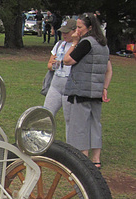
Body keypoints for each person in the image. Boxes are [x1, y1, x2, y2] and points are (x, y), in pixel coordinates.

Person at [62, 12, 112, 169]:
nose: (77, 30)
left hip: (81, 90)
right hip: (96, 92)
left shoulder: (86, 43)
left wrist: (75, 42)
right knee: (95, 125)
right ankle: (96, 160)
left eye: (80, 27)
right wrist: (104, 88)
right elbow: (109, 70)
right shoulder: (103, 45)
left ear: (89, 27)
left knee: (80, 126)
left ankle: (82, 160)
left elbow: (67, 60)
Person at [43, 19, 76, 116]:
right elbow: (49, 65)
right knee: (46, 115)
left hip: (69, 86)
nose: (64, 35)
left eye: (67, 32)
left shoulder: (79, 46)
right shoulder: (59, 44)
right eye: (62, 32)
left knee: (69, 118)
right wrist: (53, 65)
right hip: (55, 84)